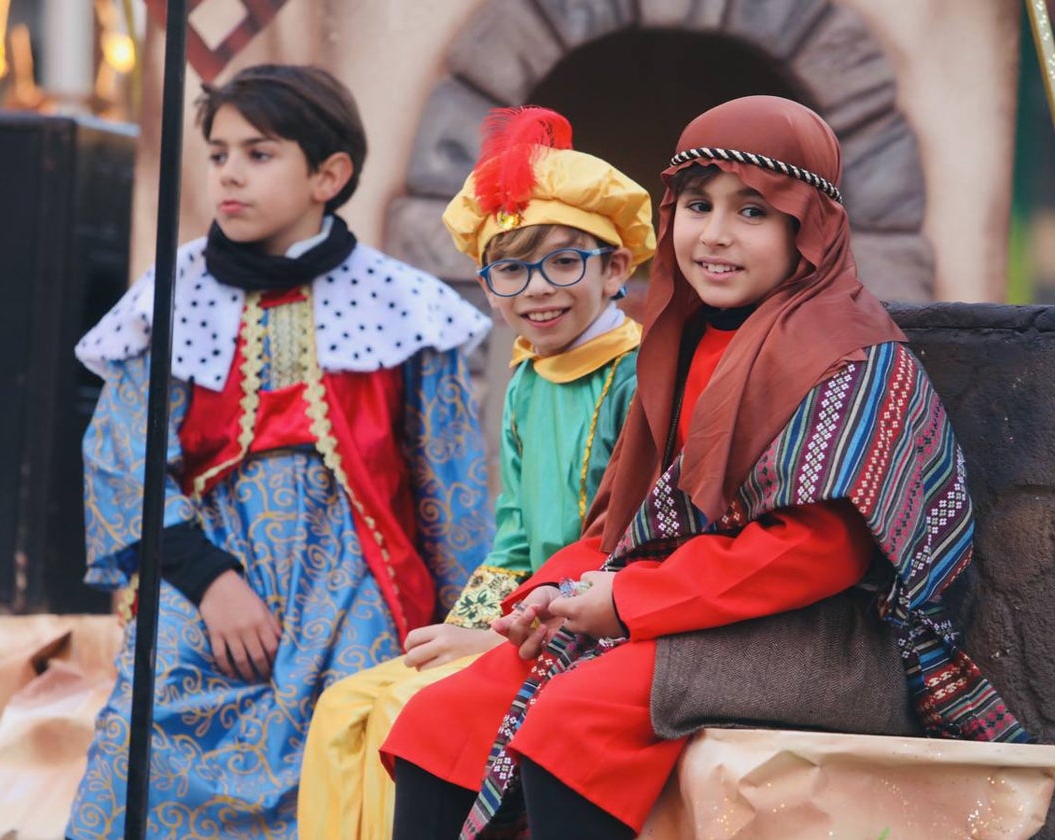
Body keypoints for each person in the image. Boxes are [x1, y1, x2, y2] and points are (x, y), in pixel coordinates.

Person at [381, 95, 1029, 840]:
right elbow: (627, 524)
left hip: (827, 635)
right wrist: (548, 595)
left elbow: (819, 553)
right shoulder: (680, 343)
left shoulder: (850, 356)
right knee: (446, 716)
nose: (715, 235)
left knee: (576, 717)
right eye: (697, 205)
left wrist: (628, 602)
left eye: (752, 211)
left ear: (807, 225)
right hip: (692, 612)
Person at [64, 64, 494, 840]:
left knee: (350, 749)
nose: (229, 172)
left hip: (354, 594)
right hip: (206, 584)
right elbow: (119, 457)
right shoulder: (174, 295)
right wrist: (208, 579)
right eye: (219, 152)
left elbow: (453, 490)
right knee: (141, 740)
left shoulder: (405, 306)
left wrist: (478, 628)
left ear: (328, 174)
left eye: (258, 154)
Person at [297, 106, 655, 840]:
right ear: (487, 285)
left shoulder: (640, 378)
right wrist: (470, 627)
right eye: (510, 269)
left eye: (564, 261)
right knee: (345, 708)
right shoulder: (528, 378)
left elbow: (627, 542)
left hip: (595, 623)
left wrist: (501, 642)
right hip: (524, 613)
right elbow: (517, 535)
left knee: (407, 711)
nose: (536, 290)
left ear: (617, 266)